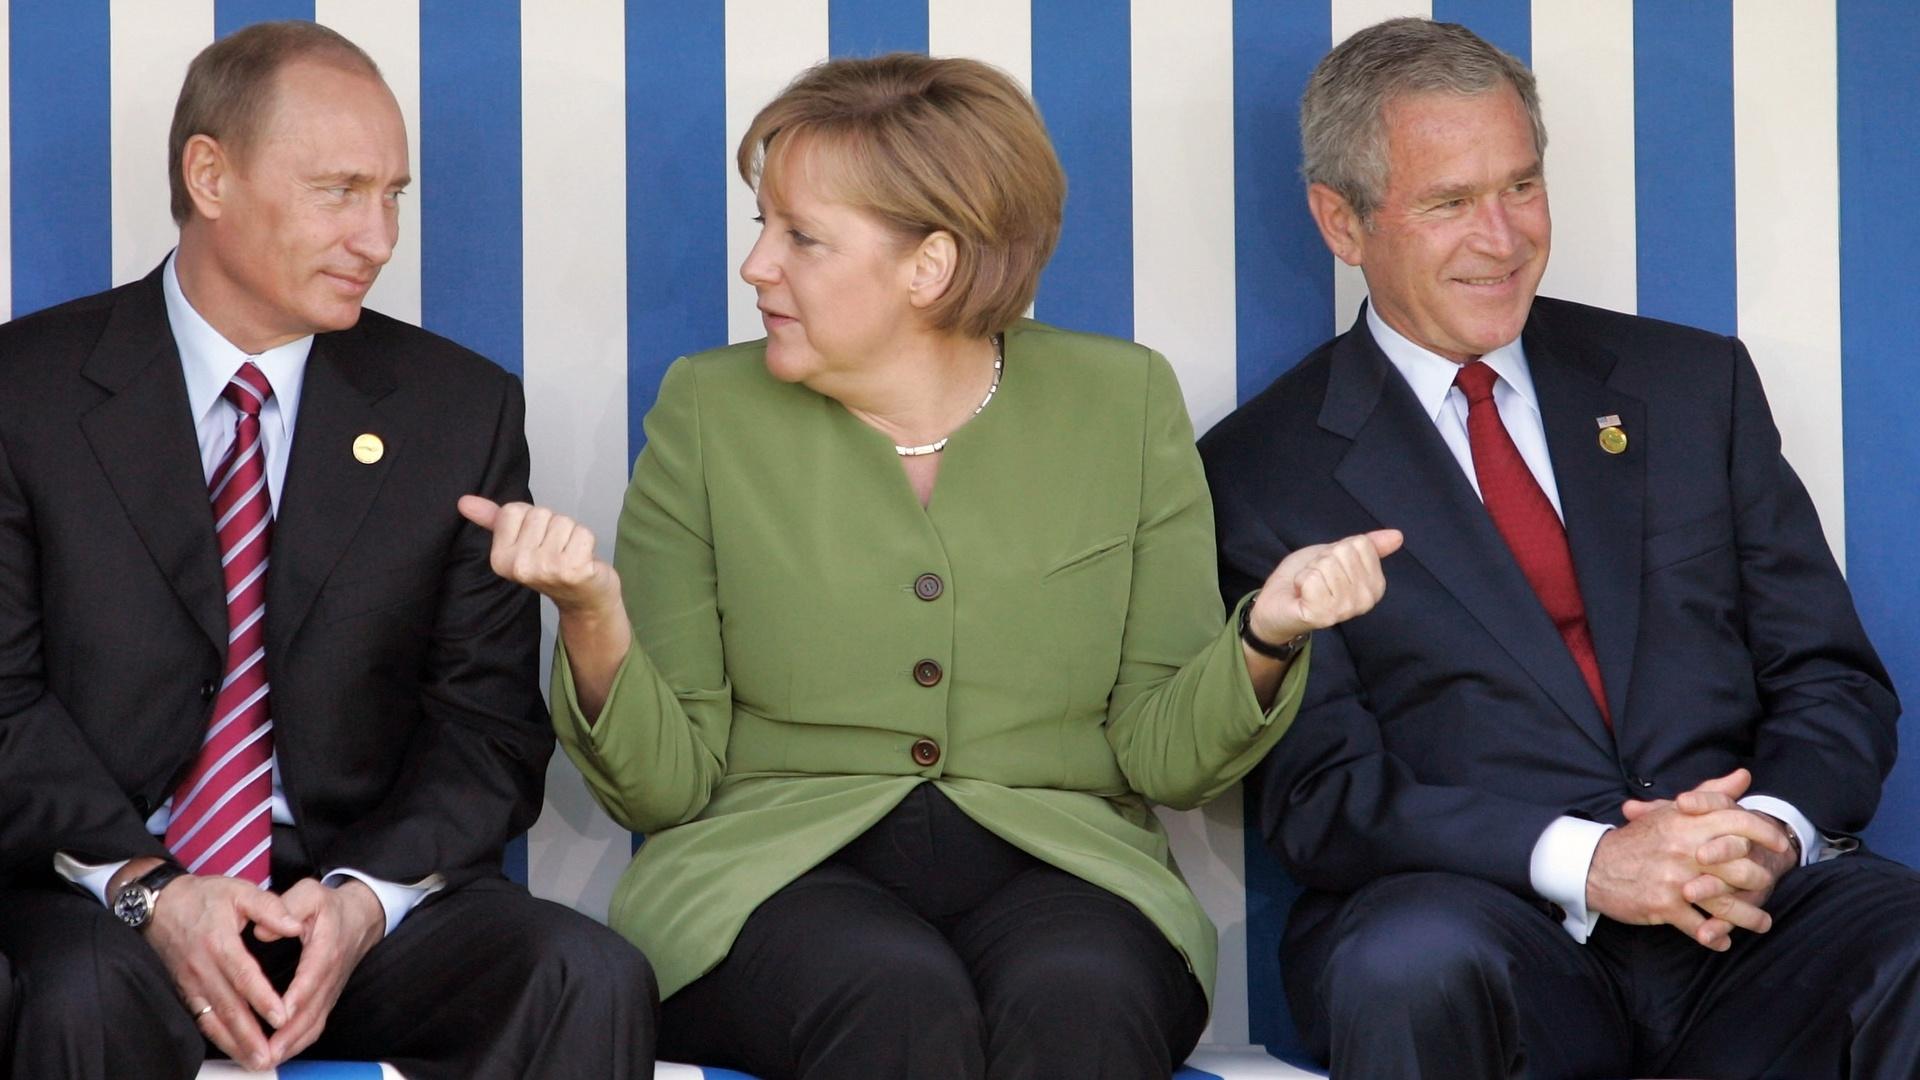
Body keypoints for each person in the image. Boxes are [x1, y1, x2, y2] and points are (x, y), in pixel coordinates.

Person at [460, 53, 1397, 1080]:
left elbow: (1163, 754)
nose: (756, 267)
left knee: (1081, 1004)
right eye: (761, 227)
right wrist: (595, 620)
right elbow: (662, 787)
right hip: (771, 876)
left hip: (1066, 868)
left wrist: (1268, 633)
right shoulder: (706, 411)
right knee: (895, 1000)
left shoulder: (1120, 402)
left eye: (801, 238)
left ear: (931, 266)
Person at [1200, 16, 1919, 1079]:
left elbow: (1831, 680)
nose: (1503, 237)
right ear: (1340, 223)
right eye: (1450, 203)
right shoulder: (1260, 469)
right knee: (1407, 963)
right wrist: (1595, 864)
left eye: (1521, 187)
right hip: (1482, 916)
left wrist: (1763, 831)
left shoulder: (1691, 387)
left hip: (1749, 910)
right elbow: (1324, 798)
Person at [0, 21, 655, 1080]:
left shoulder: (459, 410)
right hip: (106, 899)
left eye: (394, 193)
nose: (380, 236)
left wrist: (365, 904)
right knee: (74, 999)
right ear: (209, 176)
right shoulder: (24, 391)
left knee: (585, 976)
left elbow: (486, 731)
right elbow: (3, 703)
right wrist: (155, 891)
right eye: (340, 191)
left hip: (349, 906)